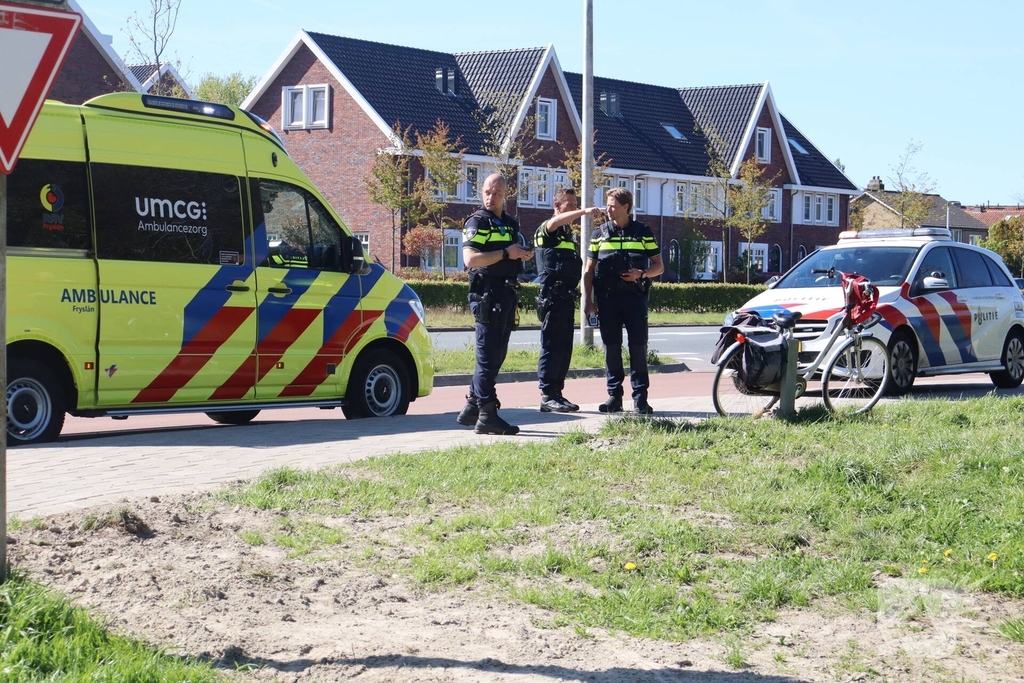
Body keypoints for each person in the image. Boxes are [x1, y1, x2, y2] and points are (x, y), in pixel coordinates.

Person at [456, 174, 533, 435]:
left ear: (505, 194)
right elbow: (470, 260)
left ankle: (472, 406)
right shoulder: (477, 221)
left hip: (507, 293)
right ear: (481, 192)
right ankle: (487, 413)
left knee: (497, 354)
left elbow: (511, 255)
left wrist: (521, 254)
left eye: (497, 193)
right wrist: (505, 253)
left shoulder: (510, 223)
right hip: (487, 294)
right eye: (487, 192)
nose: (491, 197)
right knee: (488, 356)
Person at [583, 187, 664, 414]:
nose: (607, 209)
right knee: (611, 348)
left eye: (612, 206)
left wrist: (642, 273)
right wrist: (588, 301)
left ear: (626, 207)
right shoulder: (598, 234)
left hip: (634, 298)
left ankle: (640, 399)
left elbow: (659, 266)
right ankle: (614, 397)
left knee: (638, 347)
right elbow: (588, 271)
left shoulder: (643, 232)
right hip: (607, 299)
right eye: (607, 204)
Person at [533, 188, 603, 412]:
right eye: (570, 205)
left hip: (565, 298)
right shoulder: (548, 228)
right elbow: (555, 222)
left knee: (564, 348)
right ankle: (546, 395)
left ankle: (557, 393)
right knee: (551, 345)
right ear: (557, 206)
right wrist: (583, 212)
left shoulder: (566, 234)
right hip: (552, 296)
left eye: (576, 205)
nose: (574, 209)